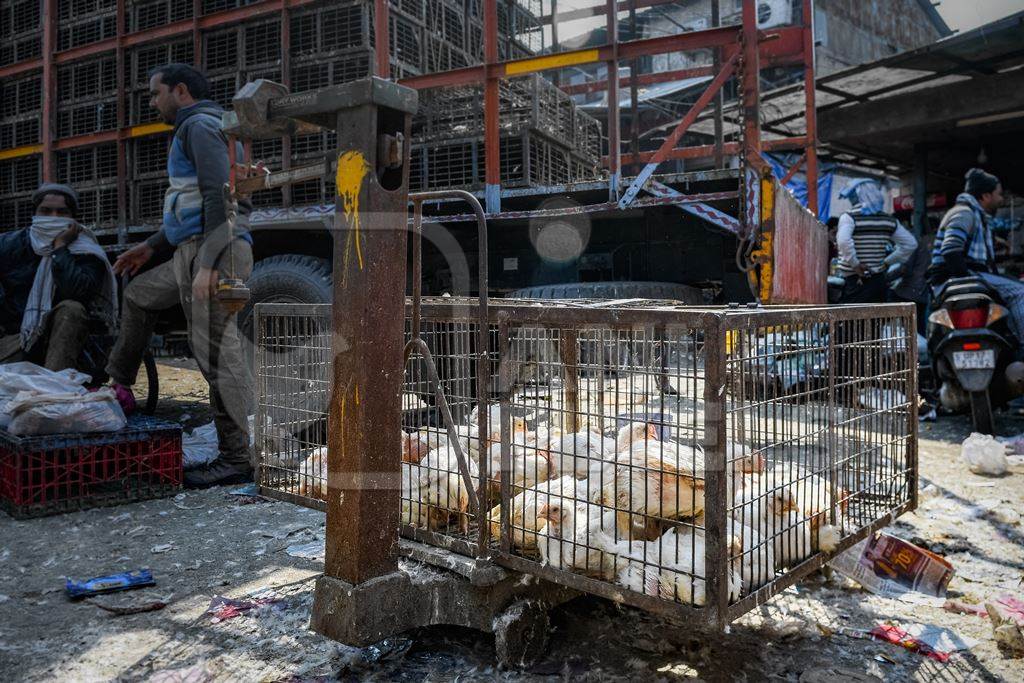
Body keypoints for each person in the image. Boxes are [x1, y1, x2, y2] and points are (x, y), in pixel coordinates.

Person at [105, 63, 253, 488]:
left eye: (155, 94)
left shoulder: (200, 127)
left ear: (180, 91)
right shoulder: (199, 127)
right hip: (189, 251)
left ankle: (237, 458)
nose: (153, 103)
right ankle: (119, 384)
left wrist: (207, 264)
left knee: (214, 354)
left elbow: (218, 196)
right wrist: (151, 246)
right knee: (139, 293)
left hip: (213, 253)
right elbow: (188, 203)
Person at [0, 184, 117, 370]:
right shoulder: (8, 244)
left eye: (62, 212)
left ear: (73, 218)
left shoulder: (87, 251)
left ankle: (55, 387)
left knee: (72, 308)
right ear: (35, 215)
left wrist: (60, 249)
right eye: (45, 211)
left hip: (66, 341)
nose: (53, 217)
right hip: (17, 339)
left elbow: (77, 291)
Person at [927, 168, 1024, 346]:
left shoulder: (975, 215)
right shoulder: (964, 213)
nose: (1001, 199)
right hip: (952, 277)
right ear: (986, 196)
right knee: (1020, 292)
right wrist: (968, 281)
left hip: (965, 274)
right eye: (999, 194)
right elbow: (950, 250)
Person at [834, 178, 918, 304]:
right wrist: (887, 262)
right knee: (876, 321)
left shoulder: (849, 217)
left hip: (856, 281)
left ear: (859, 195)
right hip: (879, 281)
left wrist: (855, 265)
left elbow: (843, 242)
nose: (850, 200)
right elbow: (911, 244)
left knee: (852, 321)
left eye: (852, 196)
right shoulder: (888, 220)